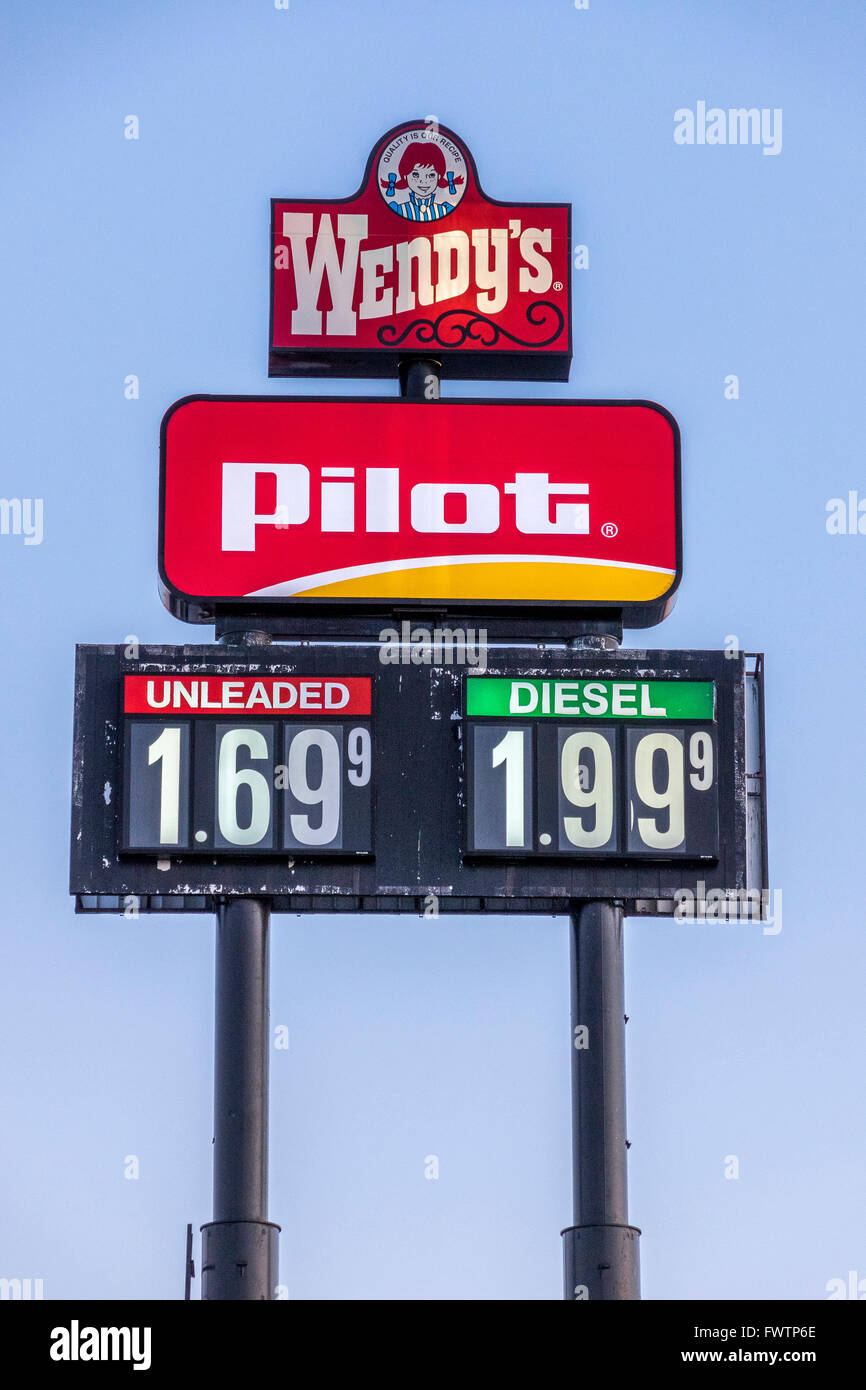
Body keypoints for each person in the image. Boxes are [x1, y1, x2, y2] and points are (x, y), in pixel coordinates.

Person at [380, 141, 464, 221]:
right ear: (405, 175)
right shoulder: (397, 209)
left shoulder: (446, 209)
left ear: (439, 176)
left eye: (431, 175)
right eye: (415, 175)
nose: (424, 181)